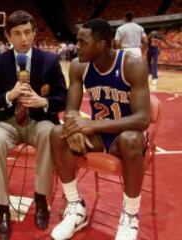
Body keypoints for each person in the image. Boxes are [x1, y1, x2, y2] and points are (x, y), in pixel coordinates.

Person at [50, 19, 150, 240]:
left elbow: (143, 118)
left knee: (131, 139)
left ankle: (130, 216)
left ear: (102, 44)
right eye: (77, 41)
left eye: (83, 42)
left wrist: (91, 124)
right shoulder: (79, 66)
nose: (77, 46)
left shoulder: (133, 64)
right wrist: (73, 127)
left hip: (125, 139)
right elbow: (70, 110)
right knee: (58, 133)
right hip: (99, 137)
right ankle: (76, 207)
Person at [0, 10, 67, 240]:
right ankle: (2, 207)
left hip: (39, 120)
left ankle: (41, 198)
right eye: (18, 34)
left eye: (28, 32)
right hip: (8, 122)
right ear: (8, 37)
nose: (24, 39)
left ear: (34, 33)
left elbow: (64, 97)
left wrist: (44, 101)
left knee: (50, 133)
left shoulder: (49, 60)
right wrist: (9, 96)